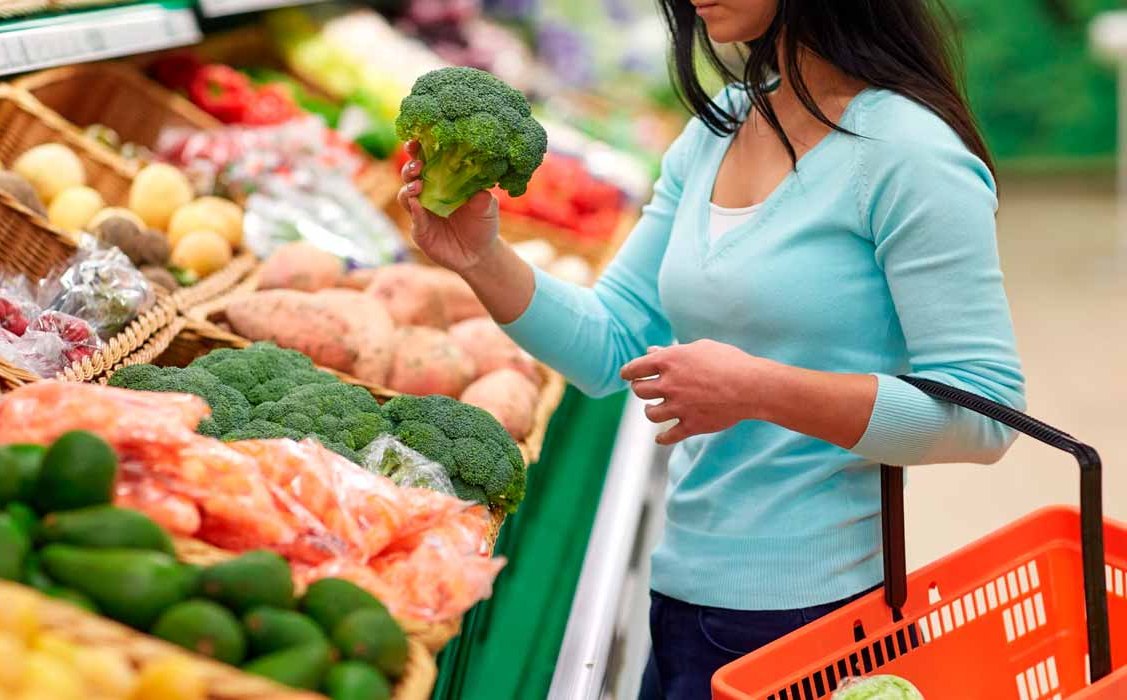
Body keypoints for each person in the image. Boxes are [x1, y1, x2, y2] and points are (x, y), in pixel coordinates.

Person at [397, 1, 1025, 697]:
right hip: (685, 596)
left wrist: (758, 389)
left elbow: (987, 411)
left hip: (812, 617)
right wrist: (481, 257)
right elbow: (612, 343)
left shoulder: (909, 152)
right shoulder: (723, 124)